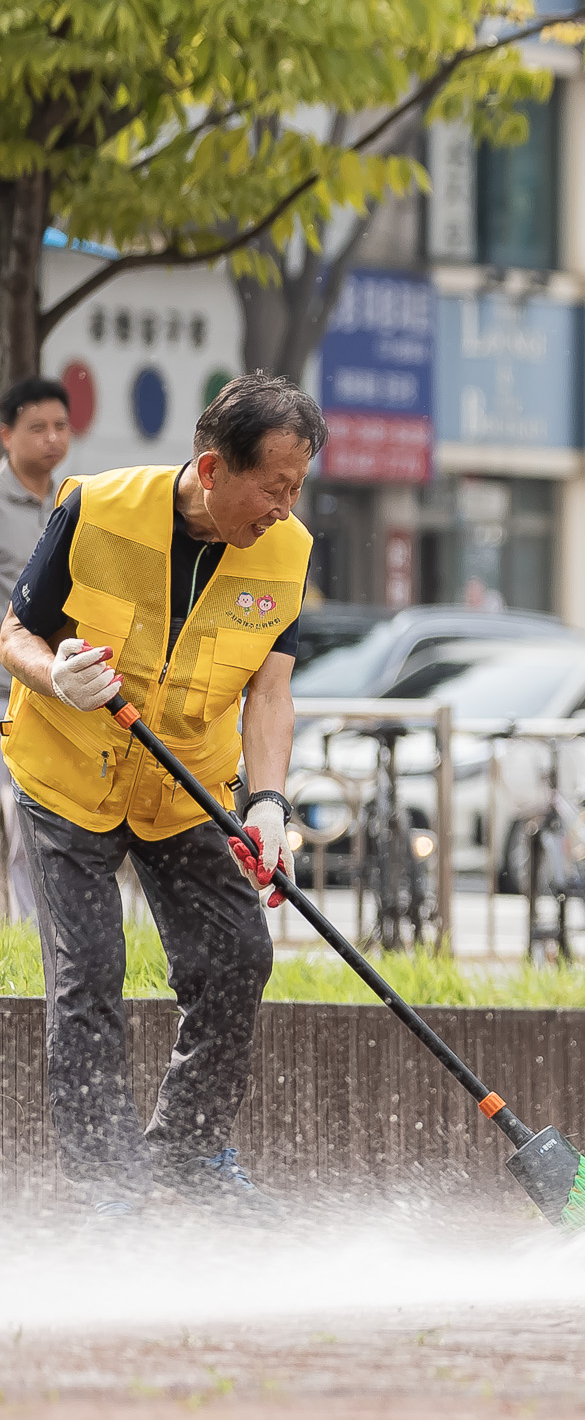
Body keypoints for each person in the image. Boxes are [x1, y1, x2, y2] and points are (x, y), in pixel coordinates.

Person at [0, 374, 322, 1220]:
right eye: (275, 486)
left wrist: (268, 803)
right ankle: (108, 1186)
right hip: (68, 772)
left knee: (237, 954)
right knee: (91, 969)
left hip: (183, 782)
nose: (286, 508)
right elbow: (15, 628)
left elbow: (270, 692)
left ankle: (187, 1146)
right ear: (213, 469)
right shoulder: (94, 507)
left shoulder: (287, 553)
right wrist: (52, 672)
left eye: (298, 487)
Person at [0, 375, 71, 921]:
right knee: (15, 823)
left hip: (52, 688)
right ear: (6, 435)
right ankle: (23, 939)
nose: (52, 438)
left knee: (38, 824)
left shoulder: (72, 504)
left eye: (61, 426)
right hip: (4, 694)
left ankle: (32, 938)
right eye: (38, 427)